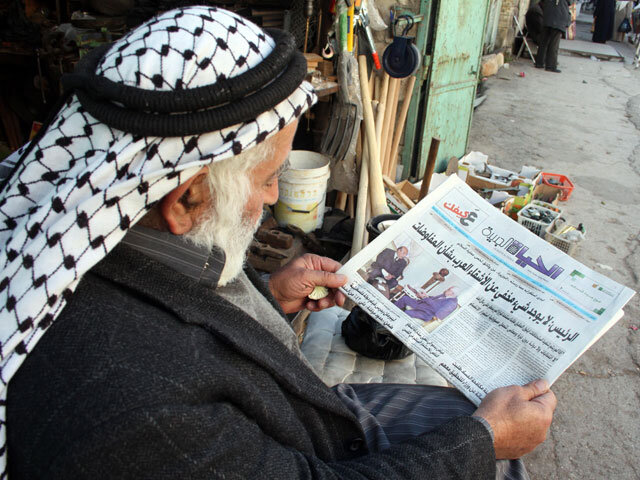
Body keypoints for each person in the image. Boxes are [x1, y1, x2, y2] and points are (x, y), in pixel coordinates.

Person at [0, 7, 556, 479]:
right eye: (268, 180)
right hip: (315, 450)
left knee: (467, 406)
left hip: (310, 414)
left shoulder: (120, 236)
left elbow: (192, 324)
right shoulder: (136, 413)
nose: (272, 198)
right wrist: (481, 443)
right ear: (186, 199)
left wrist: (271, 299)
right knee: (493, 448)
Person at [535, 0, 571, 72]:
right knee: (554, 44)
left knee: (543, 41)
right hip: (559, 17)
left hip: (548, 16)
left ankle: (539, 62)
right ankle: (550, 65)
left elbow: (542, 2)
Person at [394, 286, 460, 323]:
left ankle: (395, 322)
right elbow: (433, 299)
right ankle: (392, 309)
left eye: (449, 289)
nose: (446, 290)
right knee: (405, 298)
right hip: (422, 305)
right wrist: (424, 295)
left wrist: (425, 297)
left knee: (407, 312)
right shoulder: (444, 295)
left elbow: (437, 311)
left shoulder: (451, 303)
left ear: (452, 293)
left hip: (426, 313)